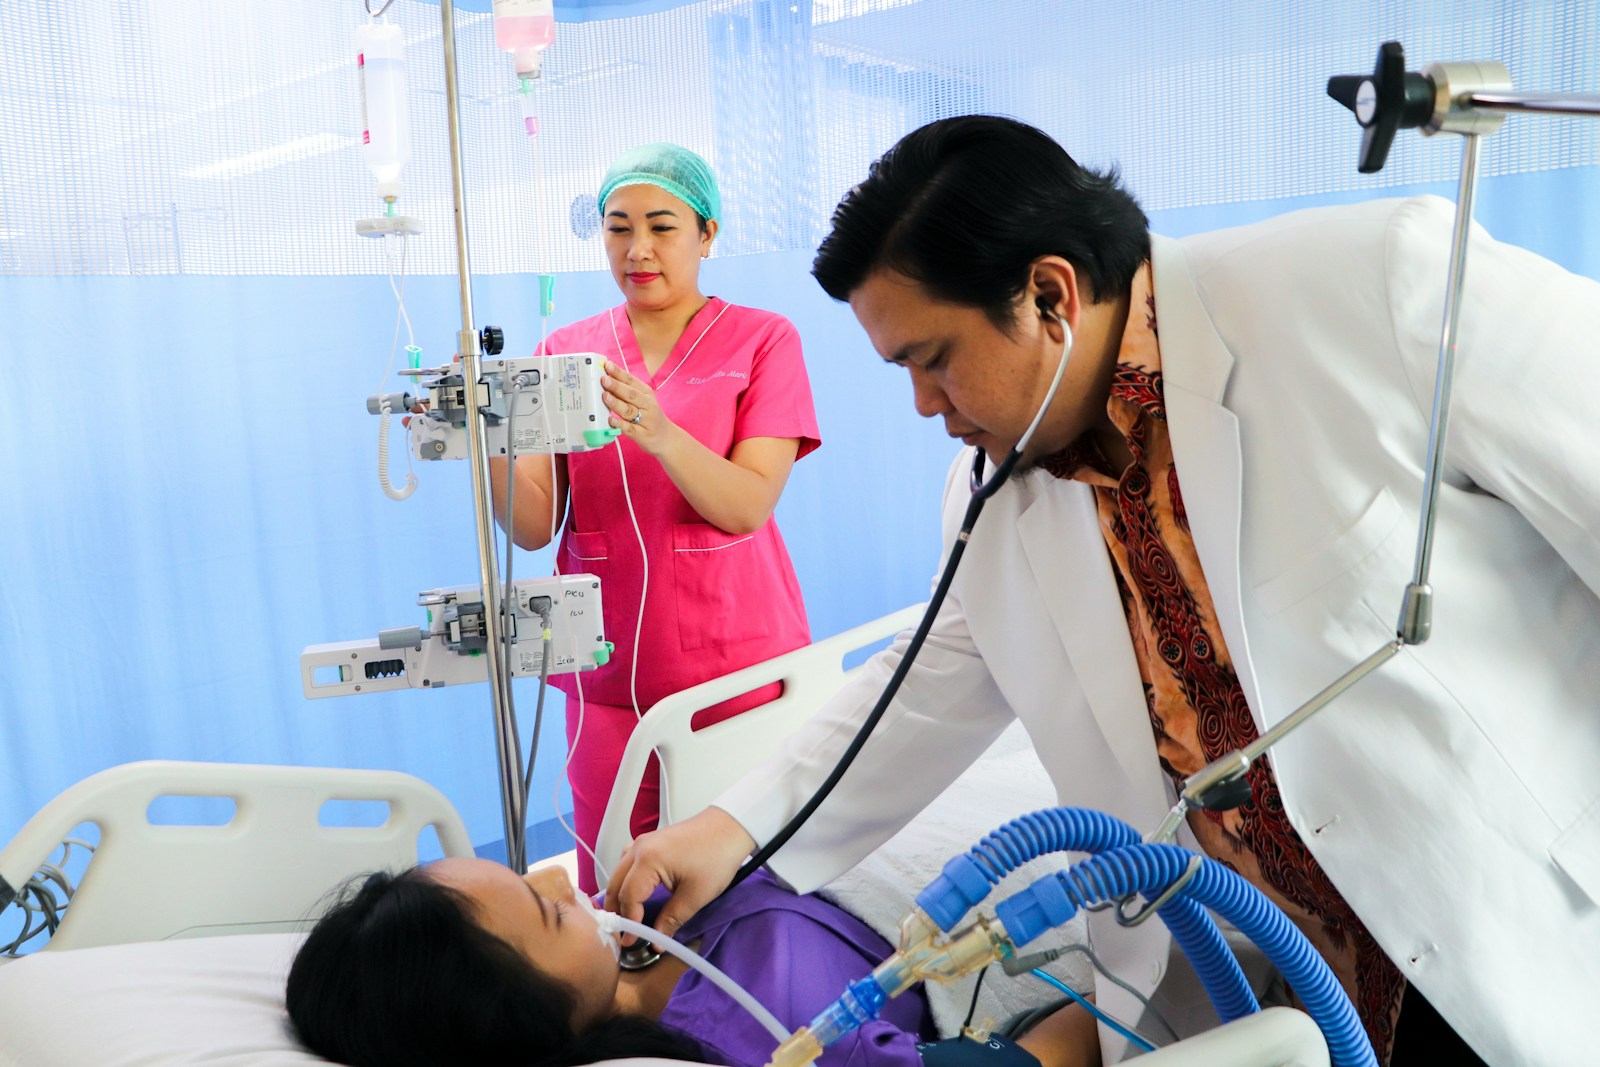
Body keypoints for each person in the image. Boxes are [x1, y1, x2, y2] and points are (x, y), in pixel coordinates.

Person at [605, 117, 1600, 1067]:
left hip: (1510, 927)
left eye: (933, 358)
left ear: (1049, 295)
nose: (922, 405)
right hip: (1286, 983)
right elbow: (921, 684)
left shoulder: (1373, 287)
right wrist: (730, 828)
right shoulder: (995, 492)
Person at [490, 143, 821, 894]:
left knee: (742, 883)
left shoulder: (764, 340)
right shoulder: (564, 353)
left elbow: (746, 504)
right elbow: (535, 526)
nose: (636, 249)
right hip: (606, 669)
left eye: (662, 226)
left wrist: (660, 429)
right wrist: (492, 440)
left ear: (707, 234)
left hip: (736, 665)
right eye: (617, 227)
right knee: (617, 890)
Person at [285, 858, 1098, 1067]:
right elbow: (1037, 1055)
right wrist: (1136, 959)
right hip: (1056, 887)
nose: (562, 877)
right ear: (524, 1017)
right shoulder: (776, 1038)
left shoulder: (651, 921)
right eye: (549, 909)